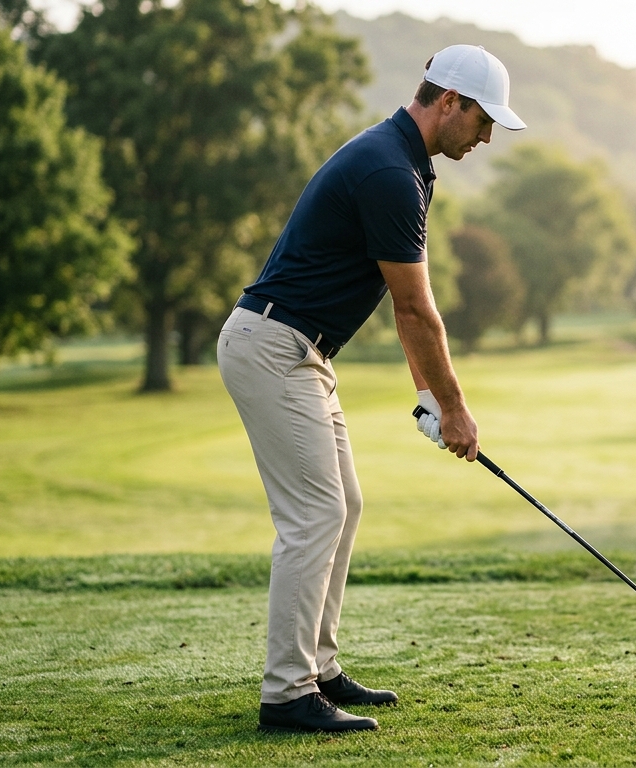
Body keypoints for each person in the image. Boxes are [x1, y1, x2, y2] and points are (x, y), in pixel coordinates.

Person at [217, 44, 526, 734]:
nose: (484, 138)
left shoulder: (406, 164)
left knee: (344, 505)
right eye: (481, 121)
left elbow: (401, 304)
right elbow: (417, 310)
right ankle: (287, 693)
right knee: (314, 516)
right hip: (272, 346)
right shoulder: (390, 171)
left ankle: (318, 669)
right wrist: (454, 410)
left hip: (300, 350)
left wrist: (426, 394)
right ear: (448, 101)